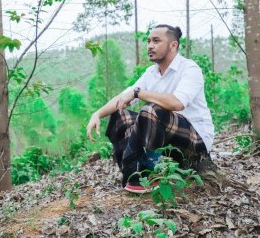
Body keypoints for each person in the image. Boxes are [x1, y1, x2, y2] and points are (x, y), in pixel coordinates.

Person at [86, 24, 214, 194]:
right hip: (166, 140)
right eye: (148, 41)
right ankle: (135, 173)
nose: (150, 46)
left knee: (151, 110)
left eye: (156, 41)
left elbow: (177, 103)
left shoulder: (189, 69)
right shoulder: (151, 72)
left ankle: (150, 169)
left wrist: (138, 93)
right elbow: (124, 97)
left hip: (195, 141)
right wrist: (97, 114)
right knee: (121, 115)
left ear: (173, 45)